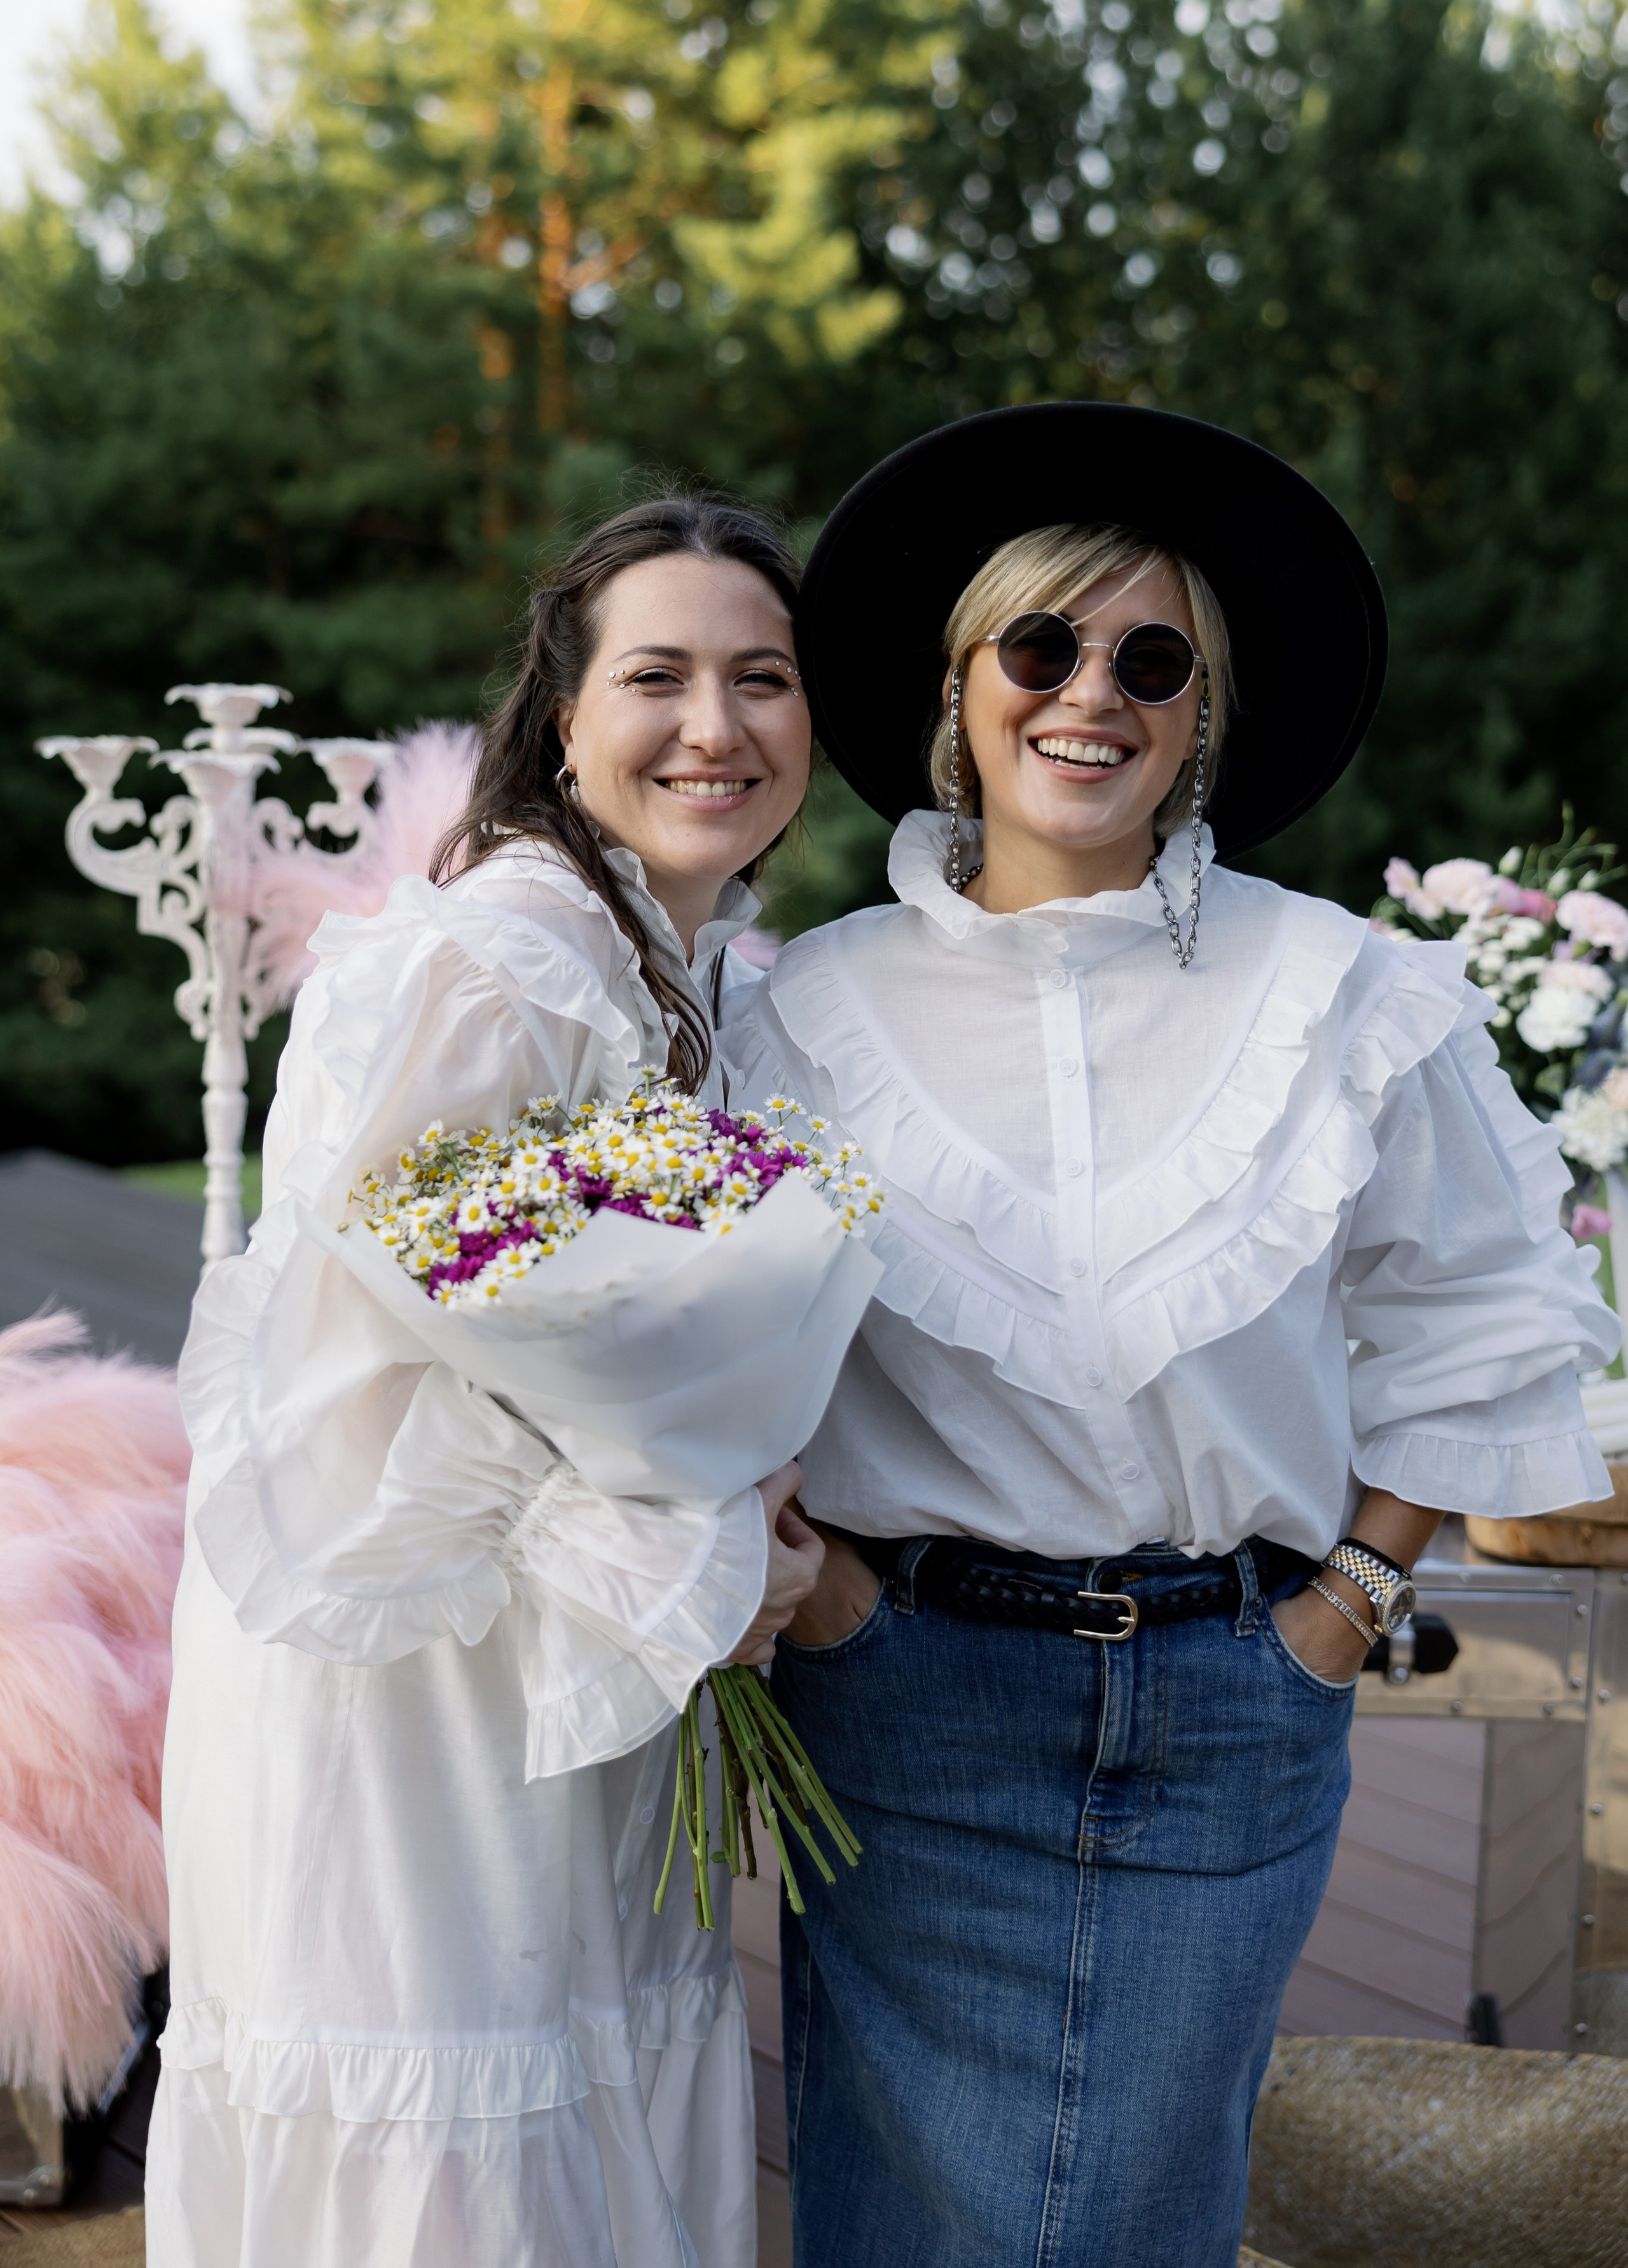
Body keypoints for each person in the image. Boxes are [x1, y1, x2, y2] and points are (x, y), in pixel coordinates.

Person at [724, 405, 1620, 2268]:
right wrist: (829, 1609)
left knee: (1140, 2211)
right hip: (906, 1703)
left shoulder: (1351, 995)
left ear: (1202, 712)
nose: (1093, 695)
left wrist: (1344, 1610)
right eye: (1039, 647)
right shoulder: (796, 1013)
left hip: (1236, 1702)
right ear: (961, 691)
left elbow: (1482, 1321)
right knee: (899, 2211)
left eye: (1154, 660)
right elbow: (709, 1352)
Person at [147, 494, 825, 2268]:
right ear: (565, 713)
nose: (718, 727)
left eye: (764, 678)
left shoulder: (674, 958)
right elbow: (371, 1324)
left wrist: (730, 1476)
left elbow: (588, 1305)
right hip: (411, 1648)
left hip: (542, 1647)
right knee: (454, 2097)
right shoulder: (499, 951)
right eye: (660, 676)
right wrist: (694, 1549)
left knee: (568, 2063)